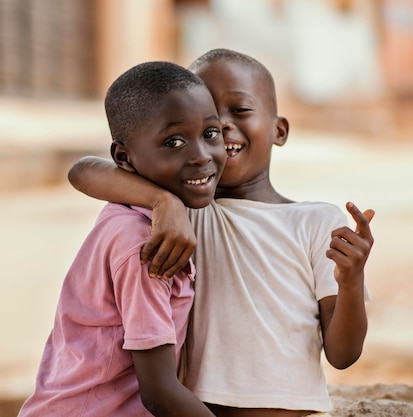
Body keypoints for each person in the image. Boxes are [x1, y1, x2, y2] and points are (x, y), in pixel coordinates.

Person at [67, 49, 375, 417]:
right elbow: (83, 171)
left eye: (238, 111)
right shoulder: (188, 214)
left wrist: (351, 281)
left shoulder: (315, 221)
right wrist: (164, 202)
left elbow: (343, 355)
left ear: (279, 129)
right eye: (206, 119)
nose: (222, 127)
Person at [18, 61, 226, 417]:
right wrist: (165, 201)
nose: (201, 156)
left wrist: (166, 201)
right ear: (124, 158)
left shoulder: (139, 209)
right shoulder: (146, 247)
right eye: (174, 142)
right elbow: (160, 393)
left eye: (210, 134)